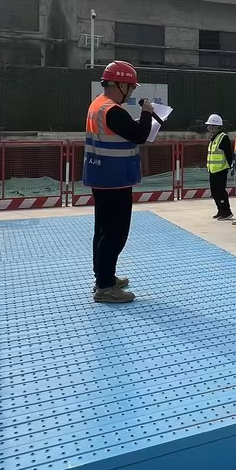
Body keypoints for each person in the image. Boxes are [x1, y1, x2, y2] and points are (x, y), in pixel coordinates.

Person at [85, 61, 156, 303]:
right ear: (121, 85)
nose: (132, 93)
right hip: (114, 179)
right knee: (115, 233)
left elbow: (125, 132)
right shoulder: (113, 111)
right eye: (131, 88)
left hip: (102, 177)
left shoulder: (97, 105)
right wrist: (147, 113)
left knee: (103, 231)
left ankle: (104, 277)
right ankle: (105, 287)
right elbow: (139, 135)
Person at [204, 113, 234, 220]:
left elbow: (228, 154)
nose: (209, 128)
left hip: (221, 170)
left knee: (220, 192)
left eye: (211, 125)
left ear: (217, 126)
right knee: (214, 192)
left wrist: (230, 167)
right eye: (208, 126)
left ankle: (226, 211)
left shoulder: (223, 138)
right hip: (213, 170)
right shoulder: (214, 138)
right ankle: (220, 210)